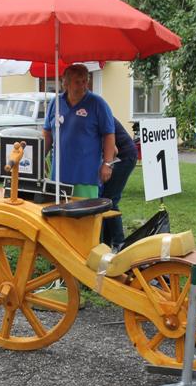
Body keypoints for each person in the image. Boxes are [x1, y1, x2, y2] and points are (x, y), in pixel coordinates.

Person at [43, 64, 116, 199]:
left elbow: (109, 135)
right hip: (59, 174)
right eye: (78, 82)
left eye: (85, 81)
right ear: (65, 83)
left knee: (85, 215)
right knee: (59, 215)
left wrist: (107, 164)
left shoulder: (97, 103)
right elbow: (47, 133)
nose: (83, 85)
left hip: (86, 175)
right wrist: (41, 158)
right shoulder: (55, 103)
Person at [100, 118, 138, 250]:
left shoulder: (98, 113)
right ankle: (106, 244)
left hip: (124, 156)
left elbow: (114, 150)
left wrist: (106, 165)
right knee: (105, 200)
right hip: (120, 155)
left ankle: (119, 243)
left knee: (109, 200)